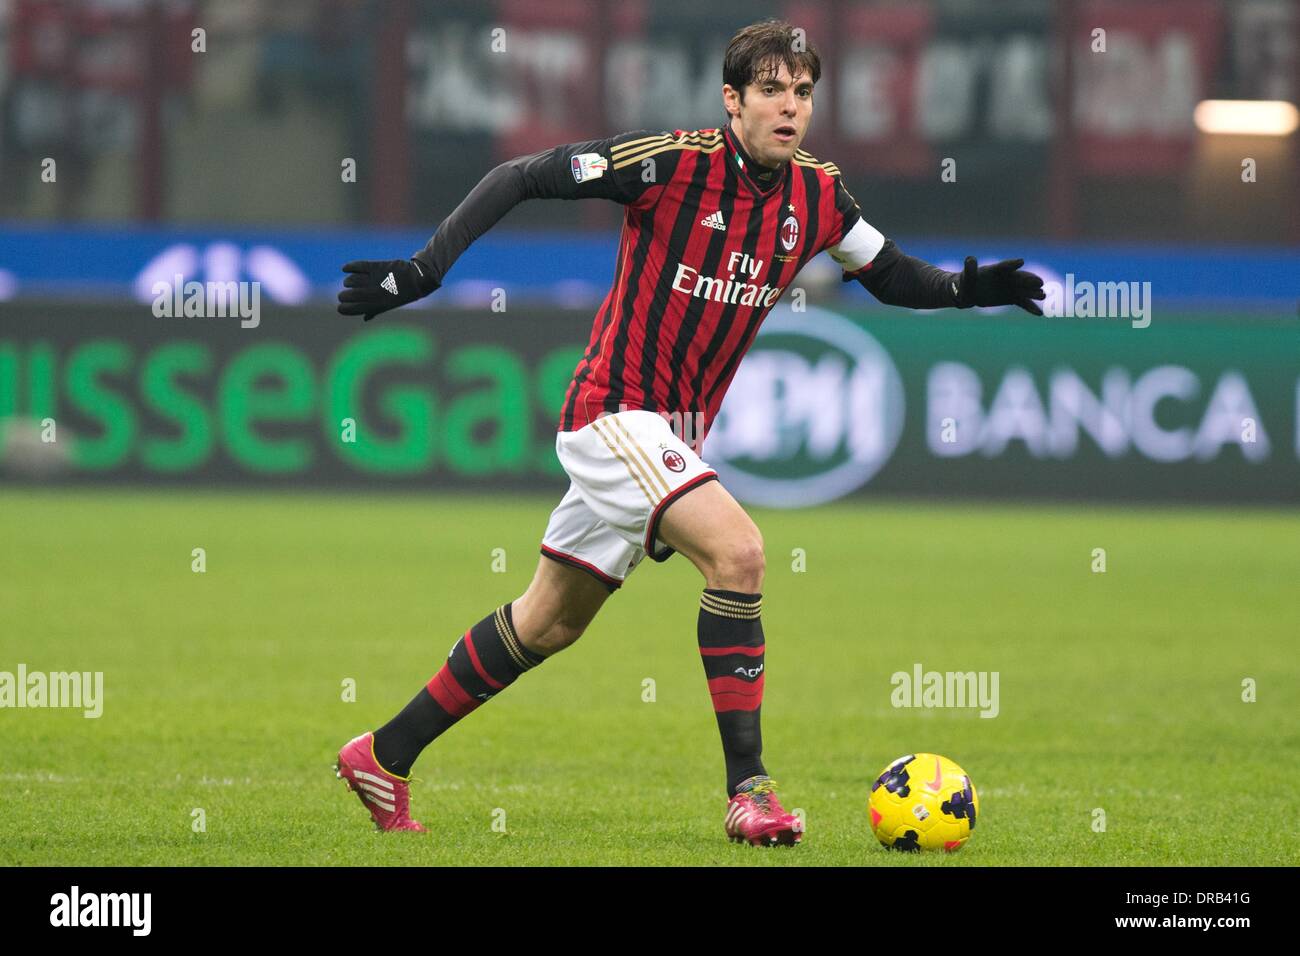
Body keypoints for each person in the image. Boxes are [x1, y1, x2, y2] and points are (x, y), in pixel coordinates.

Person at [333, 18, 1044, 846]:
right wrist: (423, 269)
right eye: (771, 90)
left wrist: (963, 287)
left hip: (672, 435)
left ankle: (382, 755)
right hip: (613, 411)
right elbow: (520, 175)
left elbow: (886, 273)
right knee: (738, 552)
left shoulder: (818, 194)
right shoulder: (671, 164)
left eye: (803, 92)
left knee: (549, 621)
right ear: (732, 99)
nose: (790, 107)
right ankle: (751, 792)